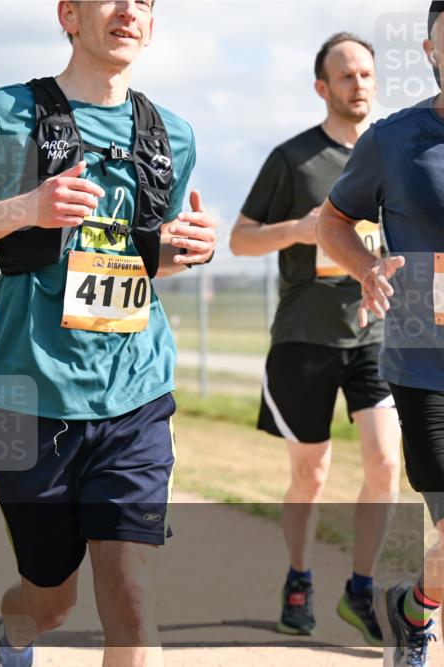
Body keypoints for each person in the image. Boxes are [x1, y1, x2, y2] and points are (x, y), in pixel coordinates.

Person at [0, 2, 217, 665]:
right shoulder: (5, 113)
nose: (128, 11)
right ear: (70, 14)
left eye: (143, 2)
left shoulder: (173, 134)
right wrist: (30, 206)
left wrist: (188, 248)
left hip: (135, 393)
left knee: (131, 593)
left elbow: (145, 257)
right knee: (49, 601)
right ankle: (14, 633)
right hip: (29, 399)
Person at [229, 32, 399, 645]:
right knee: (312, 473)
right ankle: (298, 578)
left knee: (386, 462)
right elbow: (239, 240)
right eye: (346, 76)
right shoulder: (293, 159)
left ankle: (361, 588)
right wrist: (299, 230)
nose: (359, 84)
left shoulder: (392, 154)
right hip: (304, 337)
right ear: (321, 87)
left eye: (367, 74)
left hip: (374, 336)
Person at [316, 4, 444, 665]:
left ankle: (413, 607)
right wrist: (367, 269)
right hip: (425, 366)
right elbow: (332, 222)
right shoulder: (394, 141)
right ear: (431, 50)